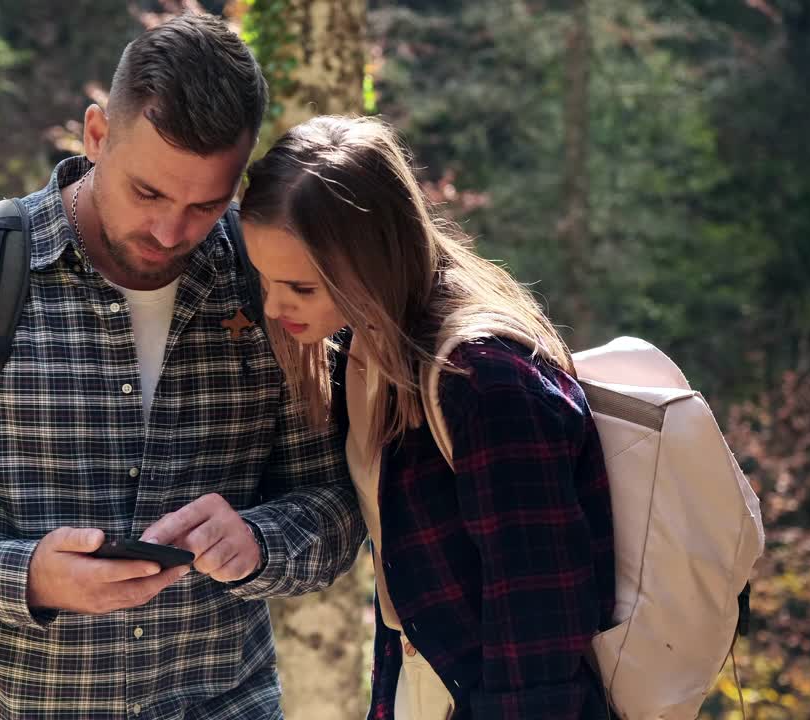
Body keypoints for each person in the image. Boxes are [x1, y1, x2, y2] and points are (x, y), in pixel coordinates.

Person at [0, 15, 364, 720]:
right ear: (97, 134)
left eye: (205, 205)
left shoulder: (270, 289)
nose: (171, 232)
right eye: (147, 193)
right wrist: (23, 577)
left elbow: (333, 504)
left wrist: (259, 542)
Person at [239, 115, 616, 720]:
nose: (274, 305)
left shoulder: (484, 383)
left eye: (301, 288)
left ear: (370, 264)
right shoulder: (361, 350)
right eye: (264, 278)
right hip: (420, 681)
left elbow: (540, 623)